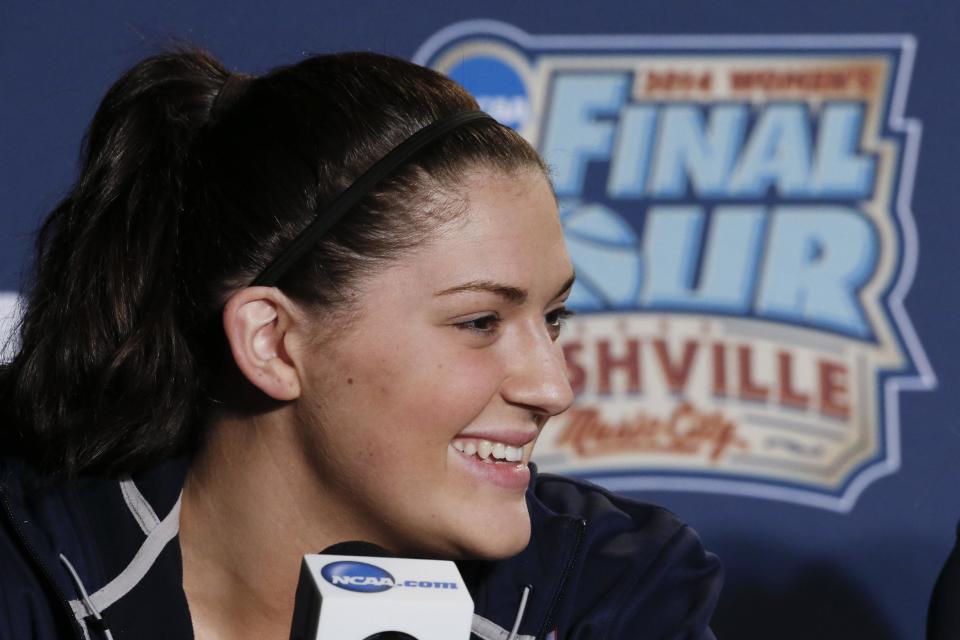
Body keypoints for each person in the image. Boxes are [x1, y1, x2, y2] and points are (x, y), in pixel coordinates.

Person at [0, 48, 722, 640]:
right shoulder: (29, 569)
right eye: (479, 323)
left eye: (554, 317)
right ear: (274, 343)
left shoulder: (604, 596)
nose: (553, 387)